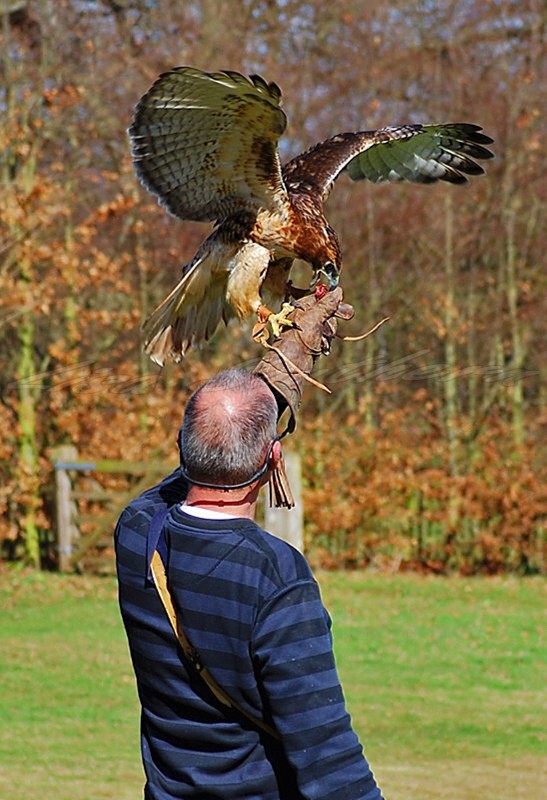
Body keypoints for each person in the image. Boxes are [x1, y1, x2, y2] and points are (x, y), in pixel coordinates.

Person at [115, 369, 384, 800]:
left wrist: (257, 397)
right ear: (274, 459)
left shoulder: (137, 532)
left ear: (182, 447)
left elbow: (183, 471)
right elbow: (328, 757)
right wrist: (268, 398)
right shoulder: (275, 576)